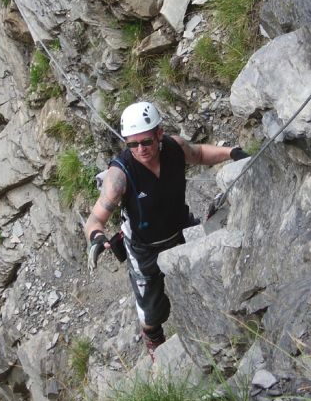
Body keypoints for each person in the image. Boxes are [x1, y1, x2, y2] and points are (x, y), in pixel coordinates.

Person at [84, 101, 249, 359]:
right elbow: (95, 219)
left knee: (214, 268)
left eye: (146, 142)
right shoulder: (120, 175)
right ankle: (154, 340)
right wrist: (97, 238)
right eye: (132, 144)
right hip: (144, 248)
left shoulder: (175, 147)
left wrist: (232, 152)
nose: (140, 149)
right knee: (151, 310)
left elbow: (200, 154)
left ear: (159, 133)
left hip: (181, 228)